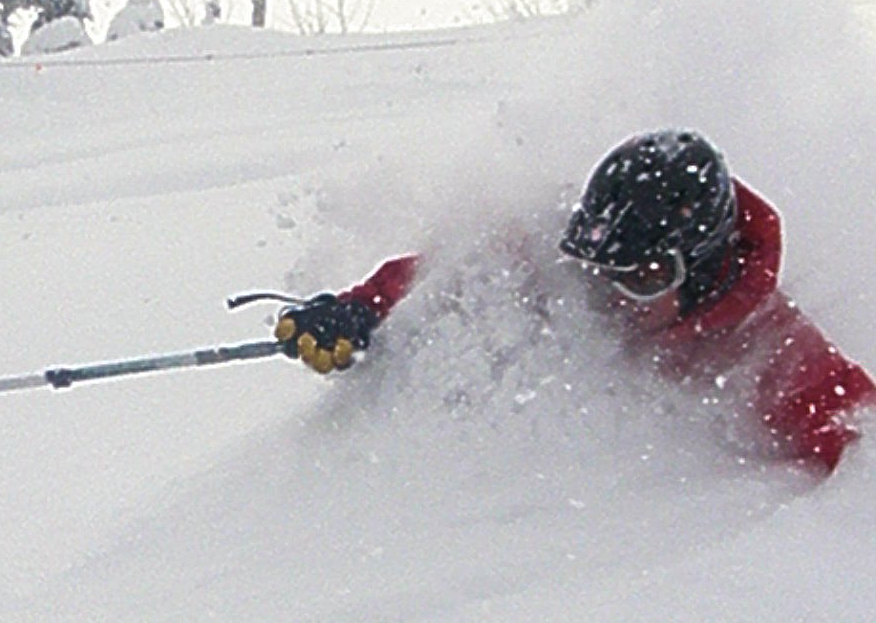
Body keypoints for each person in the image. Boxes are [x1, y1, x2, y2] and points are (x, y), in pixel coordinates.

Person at [274, 129, 876, 474]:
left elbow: (860, 440)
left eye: (641, 277)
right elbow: (451, 271)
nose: (615, 297)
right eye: (599, 273)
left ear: (702, 268)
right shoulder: (570, 260)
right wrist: (362, 310)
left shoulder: (768, 348)